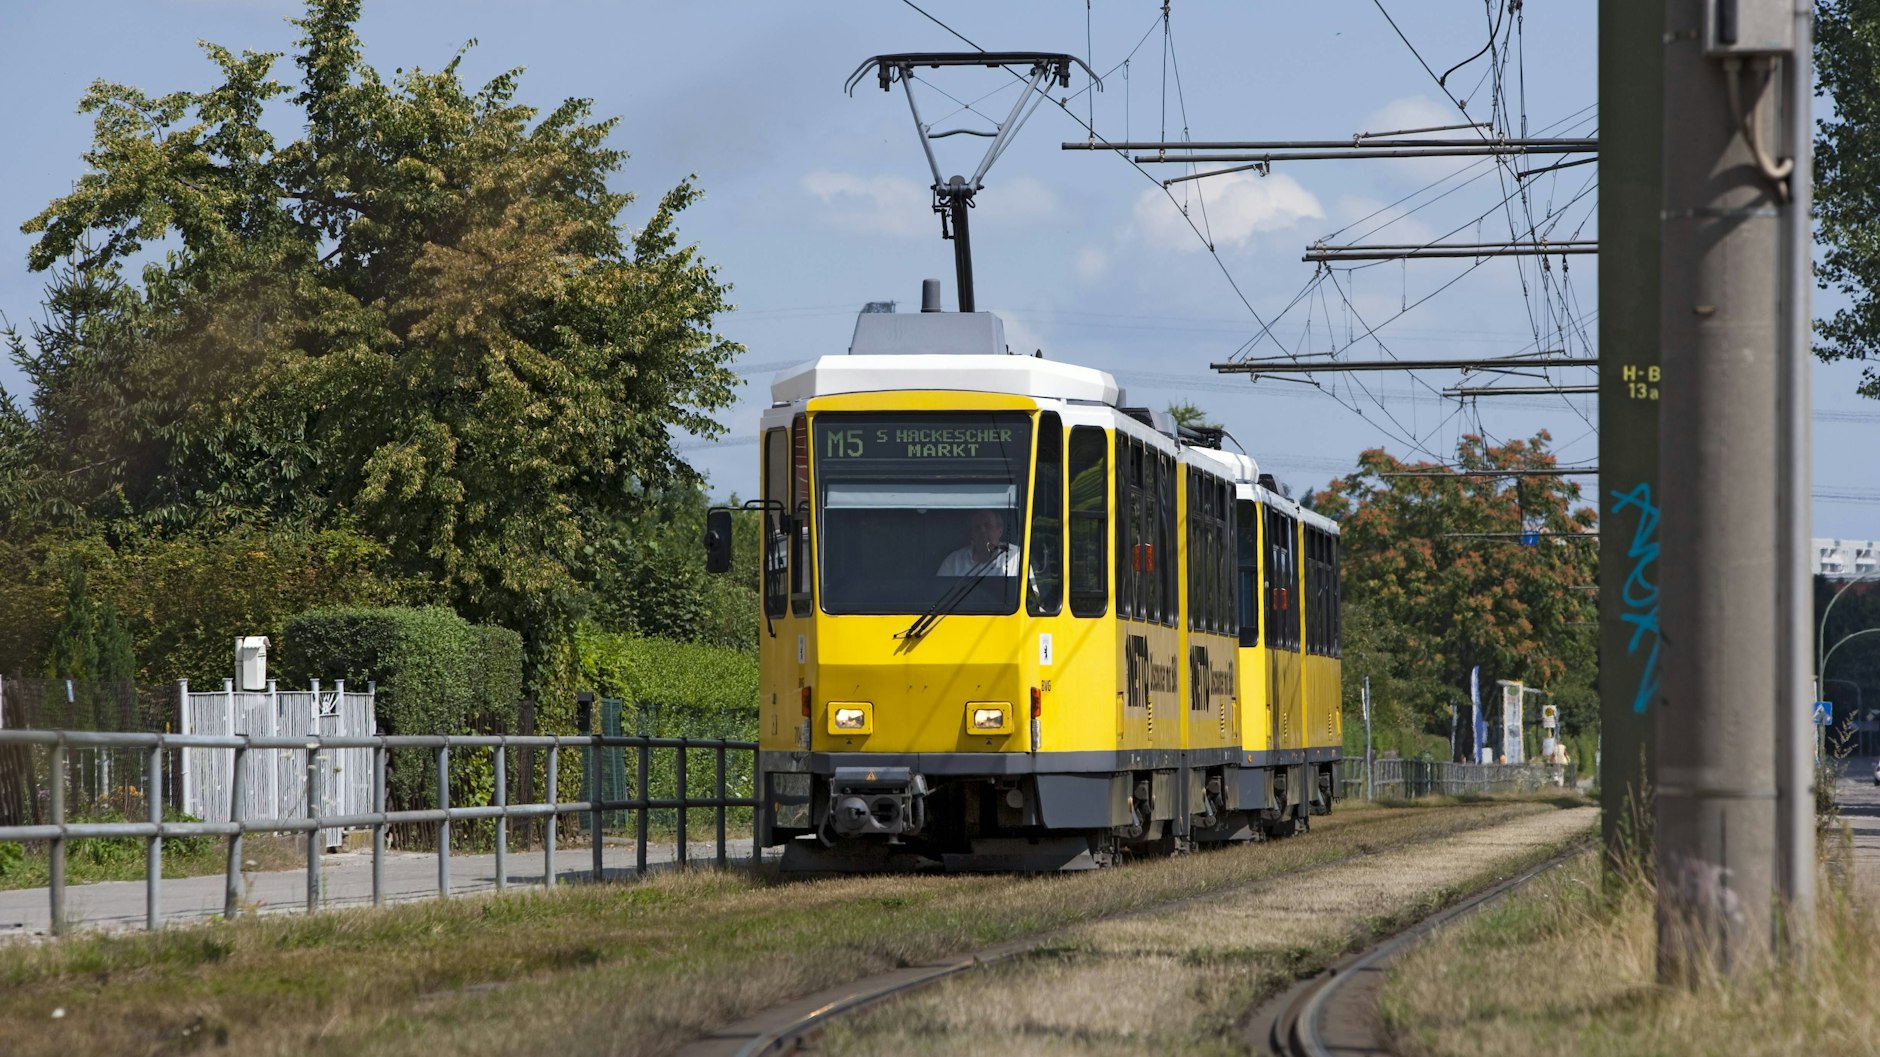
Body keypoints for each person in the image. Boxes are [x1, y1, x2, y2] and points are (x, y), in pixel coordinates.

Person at [936, 509, 1020, 576]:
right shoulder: (953, 562)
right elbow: (939, 592)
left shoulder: (1016, 557)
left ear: (1000, 531)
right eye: (977, 527)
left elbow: (1029, 592)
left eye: (987, 526)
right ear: (972, 533)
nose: (982, 530)